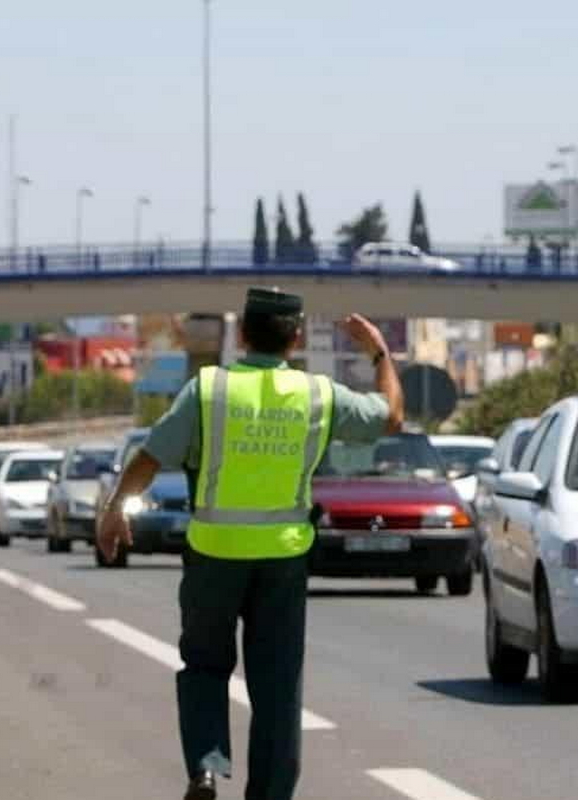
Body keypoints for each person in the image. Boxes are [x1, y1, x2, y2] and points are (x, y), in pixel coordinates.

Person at [97, 288, 404, 800]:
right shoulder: (319, 395)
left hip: (213, 554)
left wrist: (115, 509)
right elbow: (391, 416)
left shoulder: (208, 390)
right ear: (296, 339)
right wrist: (379, 354)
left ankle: (206, 766)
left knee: (204, 666)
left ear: (241, 335)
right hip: (283, 558)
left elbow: (151, 455)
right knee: (277, 686)